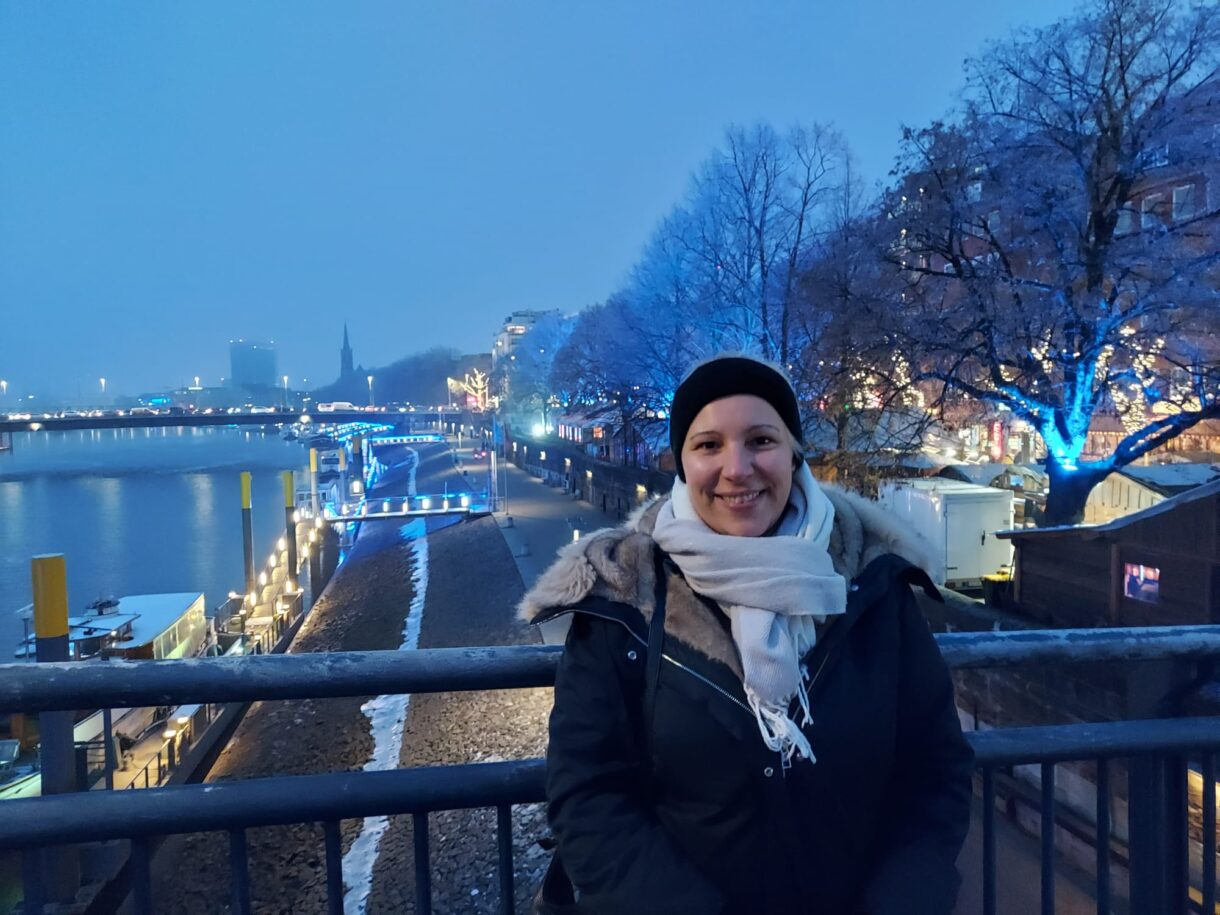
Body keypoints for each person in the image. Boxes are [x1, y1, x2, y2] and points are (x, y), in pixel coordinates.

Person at [521, 354, 974, 914]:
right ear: (682, 464)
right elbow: (589, 794)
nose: (737, 469)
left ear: (793, 454)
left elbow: (934, 770)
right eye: (709, 445)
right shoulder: (626, 596)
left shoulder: (875, 585)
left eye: (761, 440)